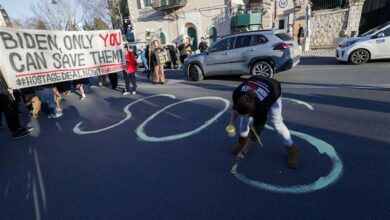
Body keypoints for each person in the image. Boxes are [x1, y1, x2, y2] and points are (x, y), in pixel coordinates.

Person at [228, 75, 299, 169]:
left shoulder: (261, 109)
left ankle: (292, 149)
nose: (240, 115)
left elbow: (255, 134)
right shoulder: (237, 93)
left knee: (276, 123)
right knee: (244, 119)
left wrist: (243, 152)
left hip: (273, 90)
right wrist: (231, 123)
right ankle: (242, 141)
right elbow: (235, 109)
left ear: (252, 112)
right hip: (257, 81)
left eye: (245, 114)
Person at [0, 73, 32, 139]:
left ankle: (19, 128)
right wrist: (6, 91)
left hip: (9, 94)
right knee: (9, 114)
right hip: (3, 96)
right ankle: (15, 132)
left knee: (15, 112)